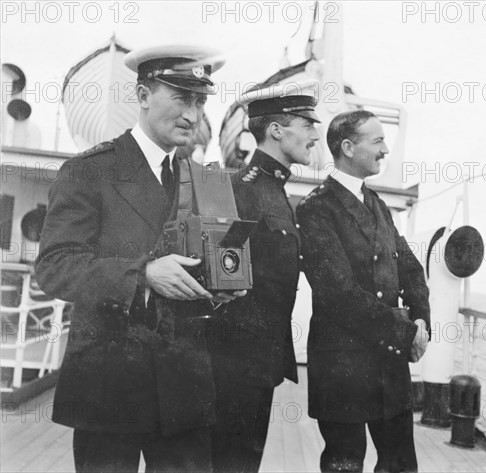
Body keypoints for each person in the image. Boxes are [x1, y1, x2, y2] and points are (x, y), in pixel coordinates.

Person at [35, 44, 244, 473]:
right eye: (182, 97)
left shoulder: (203, 180)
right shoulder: (89, 172)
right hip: (112, 385)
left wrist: (226, 285)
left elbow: (218, 260)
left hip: (185, 384)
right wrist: (143, 275)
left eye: (201, 100)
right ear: (144, 95)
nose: (193, 113)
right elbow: (55, 266)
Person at [296, 110, 431, 473]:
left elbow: (411, 269)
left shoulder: (380, 207)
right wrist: (406, 333)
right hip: (343, 365)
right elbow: (338, 294)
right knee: (345, 462)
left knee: (401, 464)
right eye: (377, 141)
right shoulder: (316, 210)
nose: (385, 149)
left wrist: (420, 316)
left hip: (389, 363)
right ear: (348, 147)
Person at [208, 84, 321, 473]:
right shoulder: (242, 191)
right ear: (275, 130)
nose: (315, 134)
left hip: (258, 363)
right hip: (231, 364)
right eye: (306, 124)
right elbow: (220, 277)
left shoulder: (275, 192)